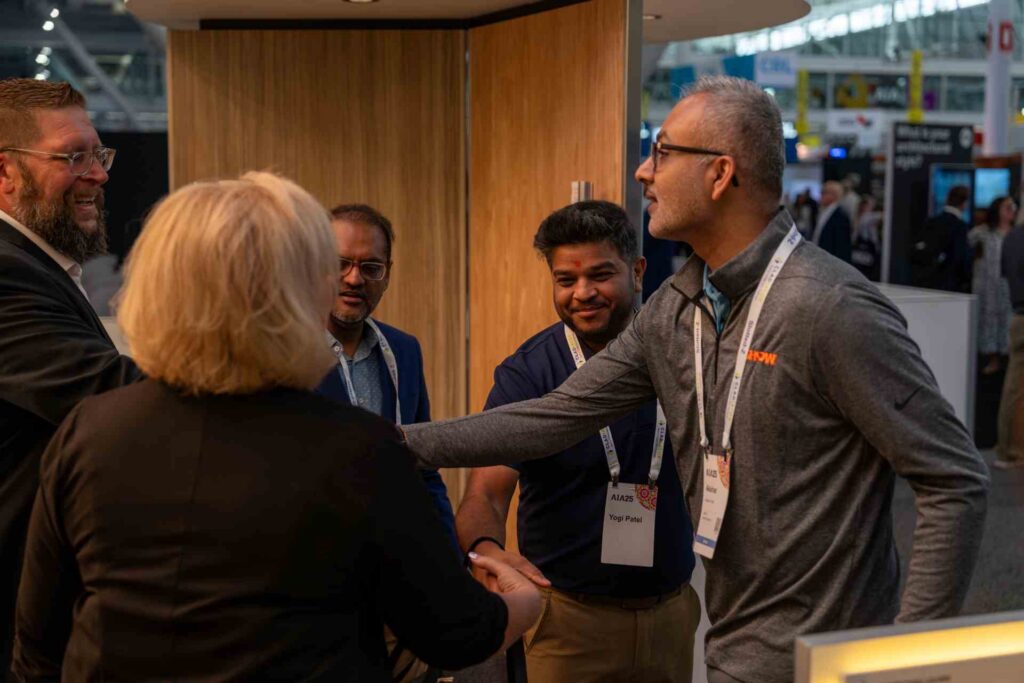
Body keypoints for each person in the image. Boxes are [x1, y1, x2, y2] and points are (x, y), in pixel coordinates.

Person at [402, 76, 989, 683]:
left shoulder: (829, 307)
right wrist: (390, 442)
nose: (641, 172)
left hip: (829, 661)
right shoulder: (677, 308)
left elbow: (954, 477)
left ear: (720, 173)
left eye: (662, 151)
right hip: (731, 652)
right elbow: (550, 416)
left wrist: (909, 659)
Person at [11, 172, 541, 681]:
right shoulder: (358, 451)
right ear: (296, 292)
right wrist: (522, 599)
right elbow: (455, 634)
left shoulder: (88, 432)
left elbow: (37, 648)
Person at [457, 200, 698, 683]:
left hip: (670, 614)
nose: (582, 293)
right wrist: (486, 547)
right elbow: (485, 492)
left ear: (637, 270)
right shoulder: (530, 372)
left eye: (600, 275)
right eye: (566, 280)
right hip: (565, 623)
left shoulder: (685, 353)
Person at [0, 78, 141, 672]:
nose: (99, 175)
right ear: (6, 172)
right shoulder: (8, 273)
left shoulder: (38, 265)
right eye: (72, 156)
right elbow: (109, 396)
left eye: (98, 154)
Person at [316, 203, 457, 683]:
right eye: (340, 264)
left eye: (370, 267)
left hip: (399, 585)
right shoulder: (282, 349)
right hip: (319, 595)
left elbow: (425, 466)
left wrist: (448, 566)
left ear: (387, 275)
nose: (354, 279)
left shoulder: (404, 350)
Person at [969, 196, 1017, 375]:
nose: (1012, 209)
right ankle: (993, 359)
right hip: (988, 287)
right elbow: (967, 245)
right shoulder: (983, 232)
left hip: (1010, 286)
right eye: (1007, 207)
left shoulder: (1017, 232)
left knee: (1010, 322)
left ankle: (1010, 361)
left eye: (1013, 206)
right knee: (990, 322)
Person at [997, 206, 1024, 469]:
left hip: (1018, 315)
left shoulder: (1011, 237)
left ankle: (1008, 449)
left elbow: (1005, 274)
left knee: (1014, 389)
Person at [911, 185, 972, 292]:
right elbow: (960, 257)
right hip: (950, 285)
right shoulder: (960, 226)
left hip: (926, 282)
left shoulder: (932, 221)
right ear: (965, 203)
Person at [812, 180, 852, 263]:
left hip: (830, 262)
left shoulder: (841, 216)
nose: (821, 195)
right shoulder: (823, 212)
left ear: (834, 195)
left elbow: (841, 246)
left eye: (824, 192)